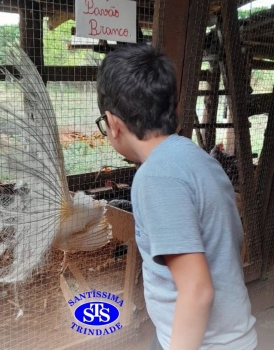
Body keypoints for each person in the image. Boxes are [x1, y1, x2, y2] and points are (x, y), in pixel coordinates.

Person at [96, 43, 257, 350]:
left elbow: (197, 290)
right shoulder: (200, 160)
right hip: (220, 336)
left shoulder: (156, 176)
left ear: (113, 123)